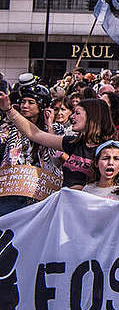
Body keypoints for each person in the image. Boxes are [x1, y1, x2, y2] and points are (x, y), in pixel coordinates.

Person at [0, 95, 117, 188]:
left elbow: (113, 188)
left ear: (92, 117)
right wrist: (9, 110)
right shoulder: (74, 142)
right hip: (67, 208)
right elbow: (35, 134)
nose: (72, 117)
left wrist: (81, 190)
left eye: (77, 113)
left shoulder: (111, 149)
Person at [0, 78, 63, 215]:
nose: (25, 106)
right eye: (23, 102)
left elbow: (56, 155)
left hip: (41, 192)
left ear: (41, 107)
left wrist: (49, 125)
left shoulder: (56, 128)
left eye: (30, 102)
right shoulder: (10, 127)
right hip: (11, 190)